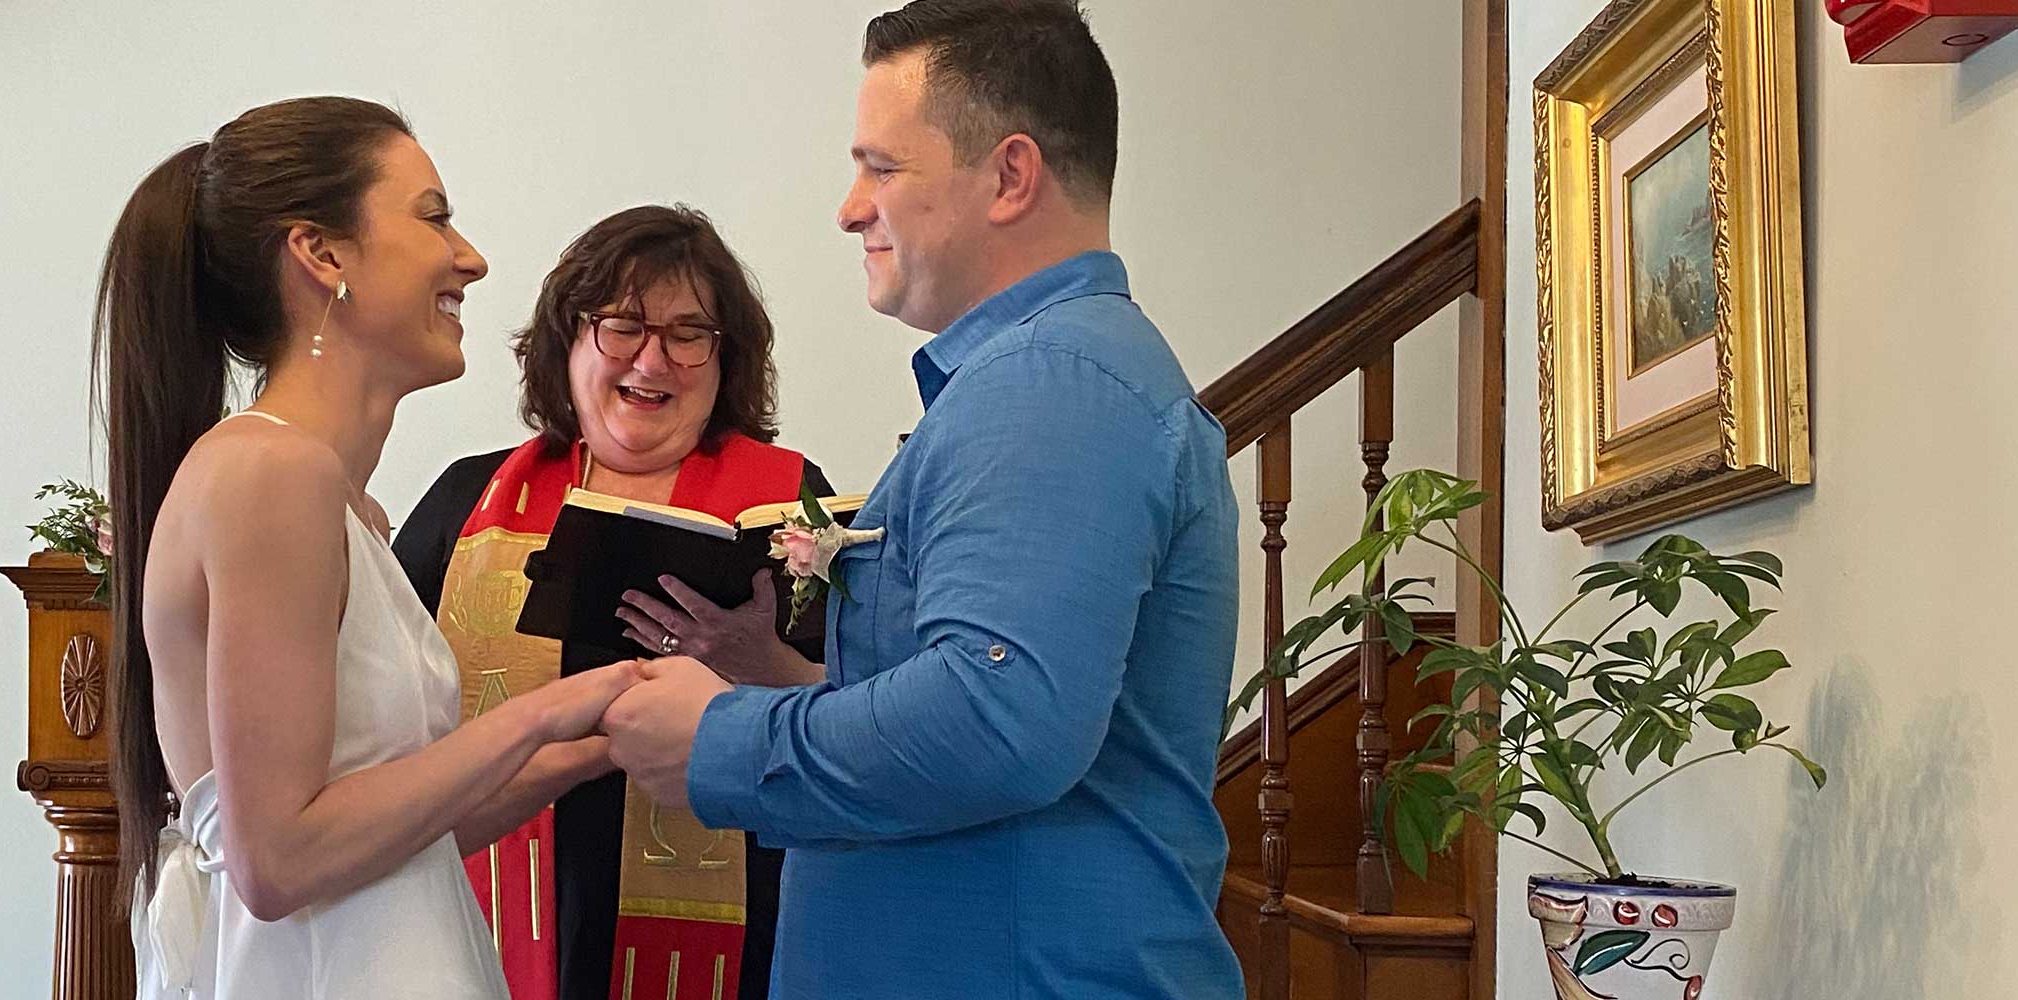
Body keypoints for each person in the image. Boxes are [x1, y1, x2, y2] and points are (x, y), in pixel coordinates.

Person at [598, 3, 1245, 998]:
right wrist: (772, 674)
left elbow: (1000, 720)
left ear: (1010, 175)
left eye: (882, 167)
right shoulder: (1048, 379)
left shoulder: (1052, 383)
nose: (852, 207)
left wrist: (722, 741)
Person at [96, 96, 638, 1000]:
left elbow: (390, 836)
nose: (470, 256)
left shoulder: (338, 499)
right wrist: (537, 713)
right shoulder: (269, 475)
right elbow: (277, 860)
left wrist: (599, 737)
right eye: (433, 217)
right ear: (321, 253)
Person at [394, 204, 831, 1000]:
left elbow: (860, 712)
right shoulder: (466, 503)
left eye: (689, 332)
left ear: (725, 357)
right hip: (489, 908)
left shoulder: (791, 510)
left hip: (746, 928)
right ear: (567, 340)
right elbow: (384, 713)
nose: (653, 359)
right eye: (623, 325)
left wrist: (760, 663)